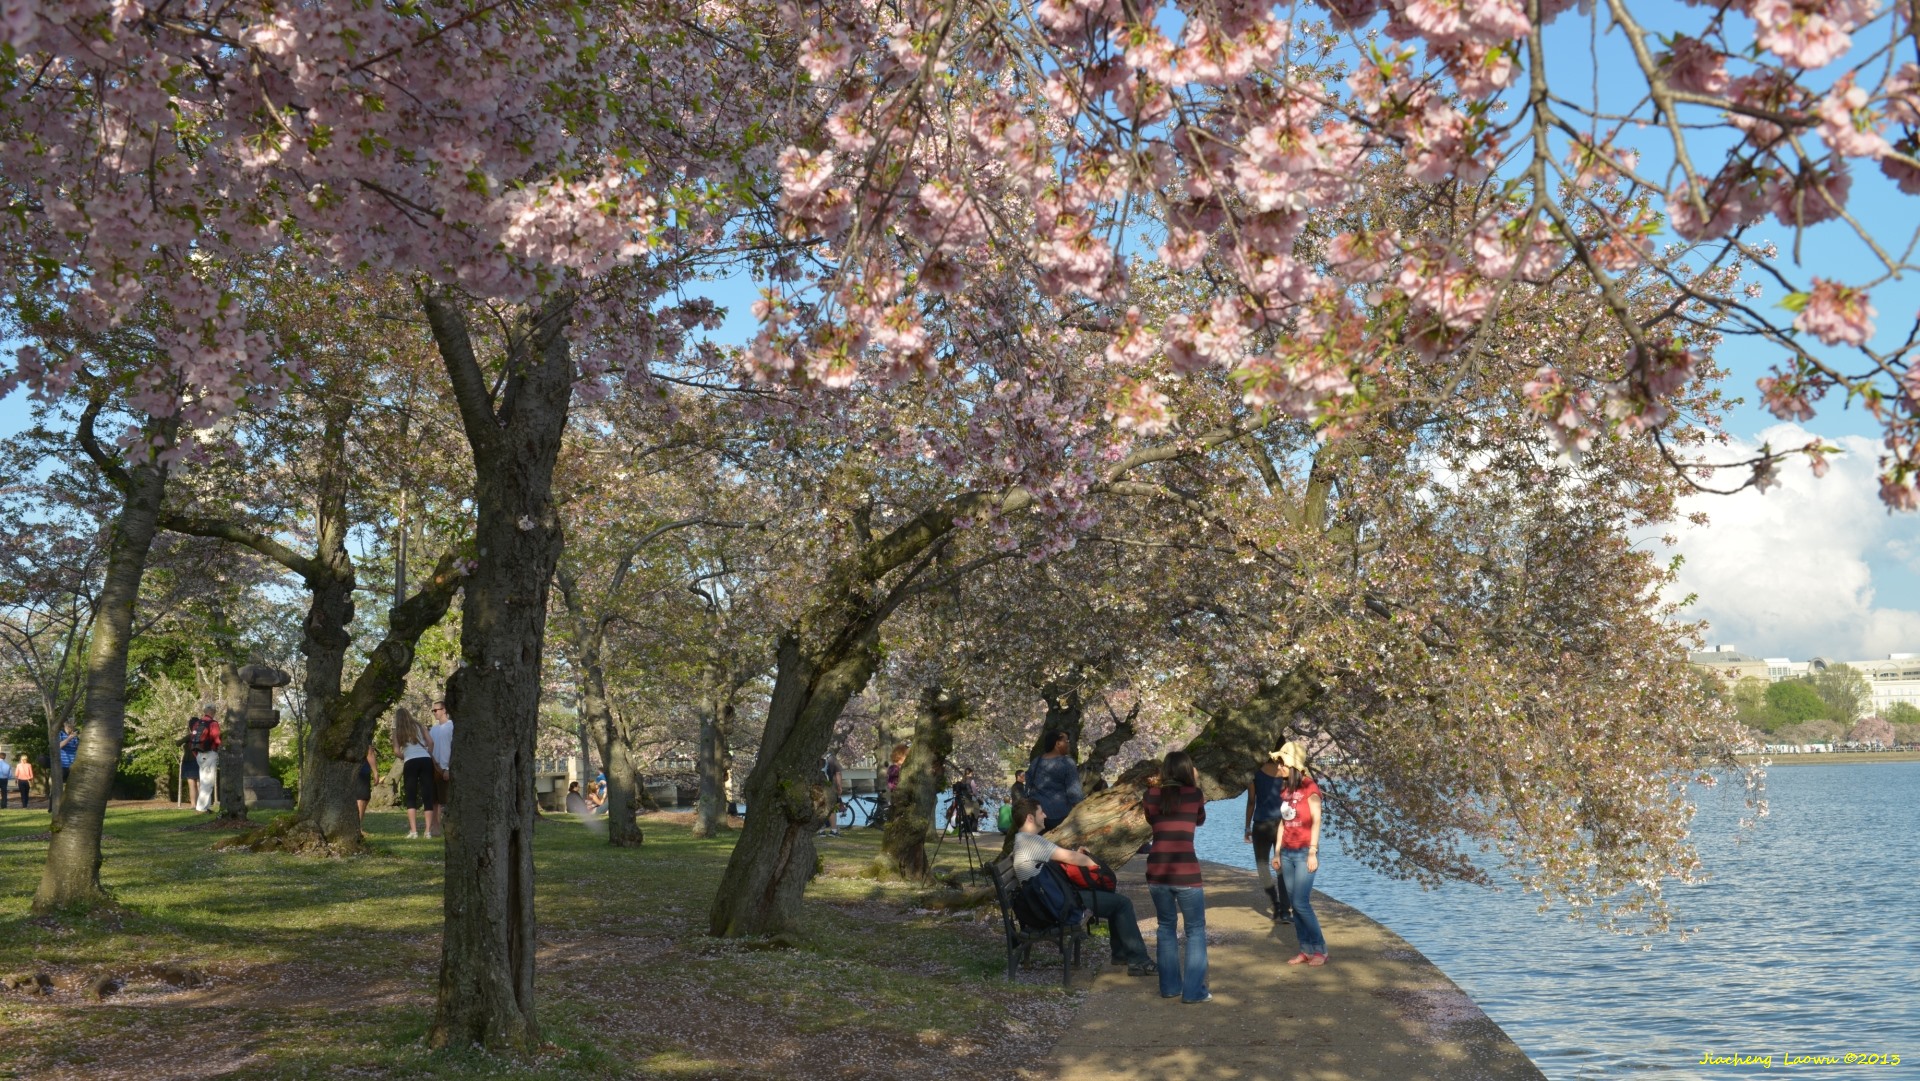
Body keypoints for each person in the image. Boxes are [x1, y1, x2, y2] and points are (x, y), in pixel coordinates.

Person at [1007, 797, 1155, 977]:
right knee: (1122, 904)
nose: (1045, 815)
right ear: (1030, 818)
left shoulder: (1024, 841)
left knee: (1116, 902)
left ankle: (1122, 954)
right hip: (1055, 906)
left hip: (1050, 900)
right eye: (1041, 812)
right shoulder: (1031, 842)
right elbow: (1070, 858)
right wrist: (1094, 864)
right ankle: (1138, 961)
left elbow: (1063, 857)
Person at [1146, 750, 1211, 1003]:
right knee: (1195, 930)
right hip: (1186, 872)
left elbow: (1152, 819)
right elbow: (1200, 820)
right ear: (1187, 770)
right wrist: (1195, 783)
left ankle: (1170, 987)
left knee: (1165, 928)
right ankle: (1194, 992)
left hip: (1157, 871)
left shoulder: (1150, 796)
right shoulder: (1194, 795)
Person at [1268, 741, 1328, 966]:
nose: (1279, 768)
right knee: (1294, 904)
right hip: (1287, 853)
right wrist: (1276, 852)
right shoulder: (1286, 789)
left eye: (1281, 763)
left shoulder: (1310, 788)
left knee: (1301, 903)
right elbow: (1283, 823)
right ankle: (1305, 949)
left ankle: (1320, 949)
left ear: (1292, 764)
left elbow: (1316, 820)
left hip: (1304, 852)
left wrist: (1313, 851)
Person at [1244, 750, 1292, 923]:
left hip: (1261, 824)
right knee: (1283, 867)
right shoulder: (1287, 772)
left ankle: (1276, 904)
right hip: (1282, 823)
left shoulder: (1255, 772)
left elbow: (1251, 800)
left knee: (1263, 866)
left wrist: (1246, 827)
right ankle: (1286, 911)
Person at [1025, 731, 1082, 833]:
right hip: (1059, 814)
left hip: (1036, 813)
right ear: (1058, 743)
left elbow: (1028, 785)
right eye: (1066, 741)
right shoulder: (1067, 762)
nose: (1068, 744)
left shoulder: (1036, 761)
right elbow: (1074, 793)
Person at [393, 707, 436, 839]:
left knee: (411, 796)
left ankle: (414, 831)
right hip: (425, 760)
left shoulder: (397, 731)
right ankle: (428, 831)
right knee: (427, 794)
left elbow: (396, 751)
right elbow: (430, 742)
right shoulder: (419, 726)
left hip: (410, 761)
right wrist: (428, 754)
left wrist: (404, 756)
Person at [186, 704, 222, 813]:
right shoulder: (213, 724)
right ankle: (202, 808)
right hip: (210, 754)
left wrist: (196, 755)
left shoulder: (197, 723)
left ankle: (205, 806)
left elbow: (192, 740)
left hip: (199, 755)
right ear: (212, 712)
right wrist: (221, 749)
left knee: (203, 780)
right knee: (208, 782)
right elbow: (217, 739)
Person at [427, 700, 453, 837]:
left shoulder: (452, 726)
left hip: (445, 767)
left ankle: (450, 828)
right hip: (434, 767)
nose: (434, 713)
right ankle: (435, 829)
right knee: (434, 801)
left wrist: (448, 768)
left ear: (444, 710)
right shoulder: (434, 729)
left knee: (446, 801)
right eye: (433, 710)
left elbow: (454, 749)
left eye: (436, 710)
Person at [817, 751, 844, 837]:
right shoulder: (831, 758)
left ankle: (821, 831)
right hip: (830, 787)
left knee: (820, 808)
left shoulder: (816, 758)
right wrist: (839, 786)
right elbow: (838, 773)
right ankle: (833, 830)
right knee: (832, 809)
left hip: (818, 786)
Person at [354, 745, 377, 823]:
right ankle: (358, 827)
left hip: (353, 769)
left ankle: (357, 825)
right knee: (362, 798)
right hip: (362, 769)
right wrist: (375, 772)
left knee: (363, 798)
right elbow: (369, 752)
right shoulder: (364, 734)